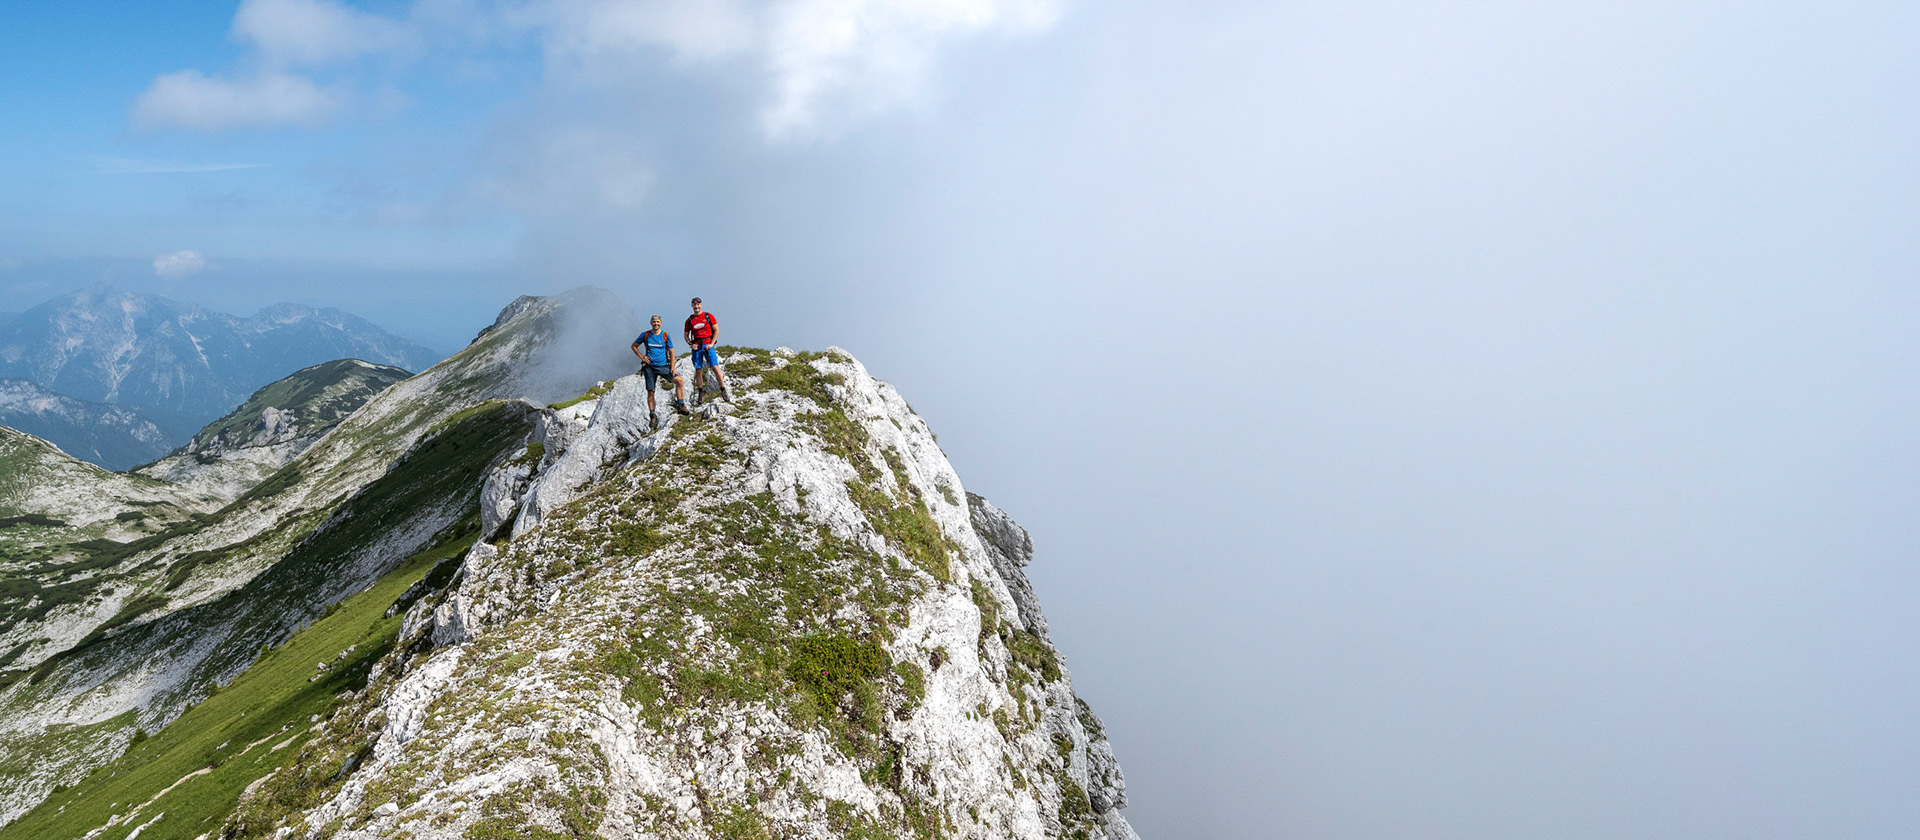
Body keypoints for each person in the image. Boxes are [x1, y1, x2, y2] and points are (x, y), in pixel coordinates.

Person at [631, 315, 689, 429]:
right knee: (651, 391)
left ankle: (680, 405)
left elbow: (672, 352)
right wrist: (642, 357)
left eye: (657, 321)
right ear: (650, 323)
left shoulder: (665, 335)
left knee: (679, 381)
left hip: (663, 367)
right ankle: (653, 414)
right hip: (649, 367)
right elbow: (634, 346)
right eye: (653, 321)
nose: (655, 323)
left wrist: (672, 368)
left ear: (661, 323)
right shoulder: (646, 335)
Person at [683, 297, 730, 403]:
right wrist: (691, 344)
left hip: (708, 344)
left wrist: (712, 344)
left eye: (698, 304)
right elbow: (686, 335)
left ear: (701, 305)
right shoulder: (689, 320)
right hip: (697, 345)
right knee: (698, 369)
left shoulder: (708, 316)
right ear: (692, 306)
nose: (696, 306)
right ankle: (701, 392)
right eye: (694, 305)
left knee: (715, 367)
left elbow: (716, 330)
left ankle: (723, 389)